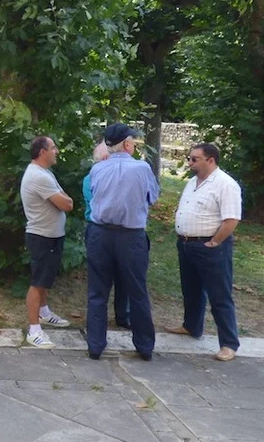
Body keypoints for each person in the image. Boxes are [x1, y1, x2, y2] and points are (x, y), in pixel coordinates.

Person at [86, 123, 159, 361]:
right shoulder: (142, 169)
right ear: (127, 144)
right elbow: (152, 197)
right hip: (131, 235)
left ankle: (95, 345)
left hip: (100, 233)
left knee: (97, 291)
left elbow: (94, 195)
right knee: (137, 290)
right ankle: (144, 346)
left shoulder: (97, 169)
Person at [168, 143, 243, 362]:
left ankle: (228, 343)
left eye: (194, 159)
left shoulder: (225, 184)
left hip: (209, 247)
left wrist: (214, 242)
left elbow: (231, 219)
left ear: (210, 160)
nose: (190, 163)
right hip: (186, 244)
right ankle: (191, 325)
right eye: (189, 158)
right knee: (191, 289)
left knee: (219, 294)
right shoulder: (192, 182)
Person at [20, 136, 74, 348]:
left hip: (51, 235)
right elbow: (67, 204)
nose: (56, 151)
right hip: (41, 236)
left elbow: (66, 200)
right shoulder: (38, 177)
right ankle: (34, 330)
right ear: (42, 152)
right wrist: (64, 200)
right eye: (53, 148)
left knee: (45, 279)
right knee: (37, 282)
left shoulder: (46, 173)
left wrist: (64, 199)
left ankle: (44, 312)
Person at [83, 141, 130, 329]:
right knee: (100, 281)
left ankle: (123, 315)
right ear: (104, 158)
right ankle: (97, 326)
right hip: (99, 230)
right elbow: (101, 203)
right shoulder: (90, 178)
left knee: (124, 276)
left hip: (123, 232)